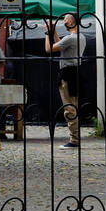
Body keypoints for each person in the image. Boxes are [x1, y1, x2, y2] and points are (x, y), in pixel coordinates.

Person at [45, 13, 85, 148]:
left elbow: (49, 49)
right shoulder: (80, 37)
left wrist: (46, 33)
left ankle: (74, 140)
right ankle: (75, 137)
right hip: (76, 73)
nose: (63, 21)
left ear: (71, 22)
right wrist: (54, 32)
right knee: (73, 105)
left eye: (65, 19)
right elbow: (59, 44)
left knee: (69, 108)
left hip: (67, 74)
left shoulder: (71, 38)